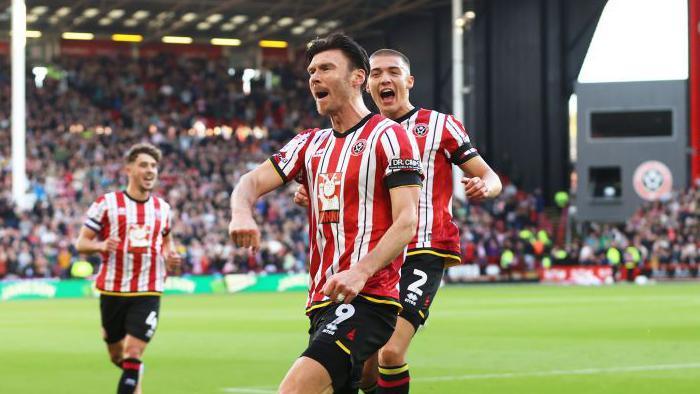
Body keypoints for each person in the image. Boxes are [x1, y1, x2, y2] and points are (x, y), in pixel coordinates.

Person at [295, 48, 502, 393]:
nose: (384, 79)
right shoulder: (359, 135)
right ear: (364, 82)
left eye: (393, 72)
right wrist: (310, 194)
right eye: (376, 74)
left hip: (423, 247)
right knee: (365, 372)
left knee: (391, 351)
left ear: (408, 81)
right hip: (376, 254)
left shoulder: (439, 125)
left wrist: (485, 185)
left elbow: (489, 175)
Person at [228, 33, 423, 394]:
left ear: (357, 78)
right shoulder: (309, 144)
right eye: (311, 70)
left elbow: (407, 221)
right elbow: (250, 181)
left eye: (326, 68)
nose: (314, 77)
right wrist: (241, 214)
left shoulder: (390, 136)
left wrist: (360, 272)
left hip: (369, 297)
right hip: (322, 301)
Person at [75, 143, 182, 394]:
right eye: (144, 165)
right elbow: (81, 243)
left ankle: (133, 372)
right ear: (129, 169)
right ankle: (135, 373)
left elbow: (167, 240)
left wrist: (171, 256)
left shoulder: (162, 208)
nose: (150, 171)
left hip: (149, 289)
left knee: (132, 353)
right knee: (117, 356)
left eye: (154, 166)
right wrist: (101, 245)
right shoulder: (106, 204)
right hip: (113, 289)